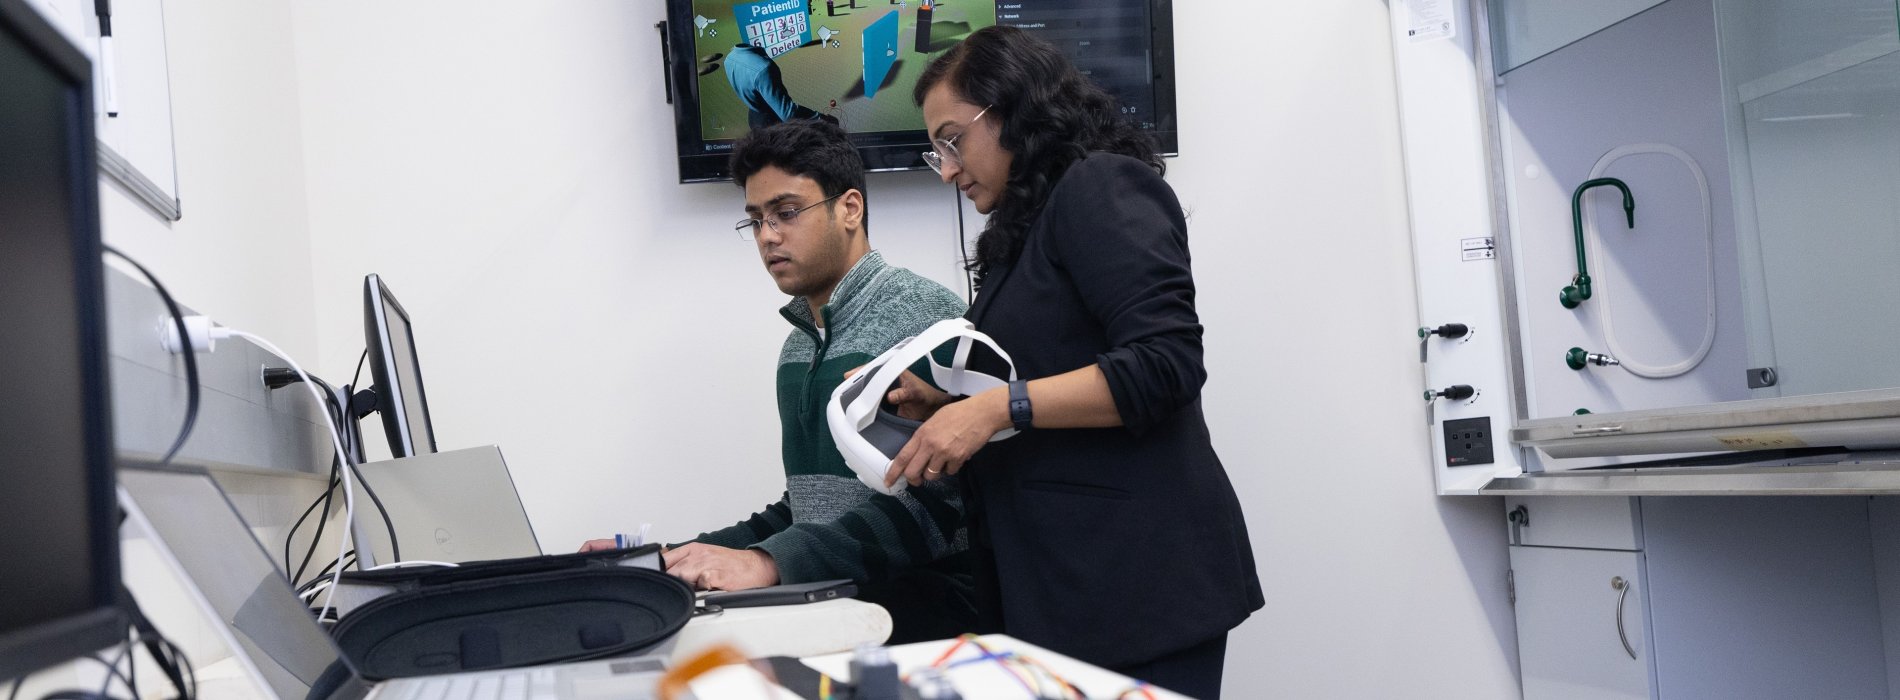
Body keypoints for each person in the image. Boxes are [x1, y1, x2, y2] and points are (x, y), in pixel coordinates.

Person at [885, 25, 1264, 698]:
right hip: (1064, 591)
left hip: (1135, 586)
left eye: (952, 139)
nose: (945, 168)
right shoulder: (1027, 227)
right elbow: (1052, 385)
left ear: (1011, 109)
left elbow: (1165, 363)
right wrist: (945, 410)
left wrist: (994, 407)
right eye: (935, 149)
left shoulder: (1102, 187)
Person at [580, 119, 975, 642]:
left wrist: (770, 563)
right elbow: (809, 509)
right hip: (835, 612)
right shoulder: (797, 347)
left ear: (849, 208)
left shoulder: (927, 318)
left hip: (922, 625)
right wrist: (665, 561)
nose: (768, 236)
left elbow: (948, 508)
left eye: (787, 213)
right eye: (757, 220)